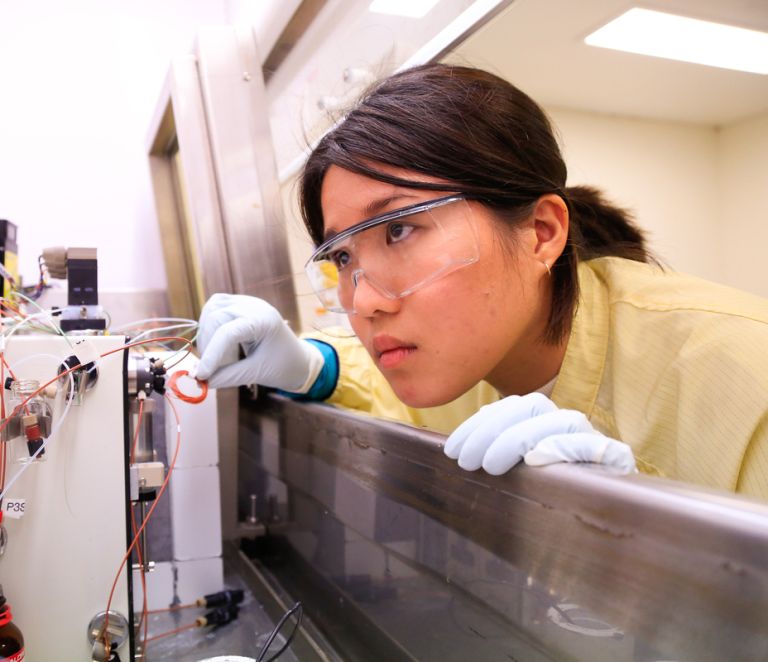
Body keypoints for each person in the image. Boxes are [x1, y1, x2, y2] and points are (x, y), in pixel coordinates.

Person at [195, 64, 768, 500]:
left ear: (541, 233)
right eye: (342, 258)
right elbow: (377, 382)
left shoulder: (745, 375)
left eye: (399, 230)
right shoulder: (470, 349)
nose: (363, 302)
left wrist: (654, 536)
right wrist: (313, 367)